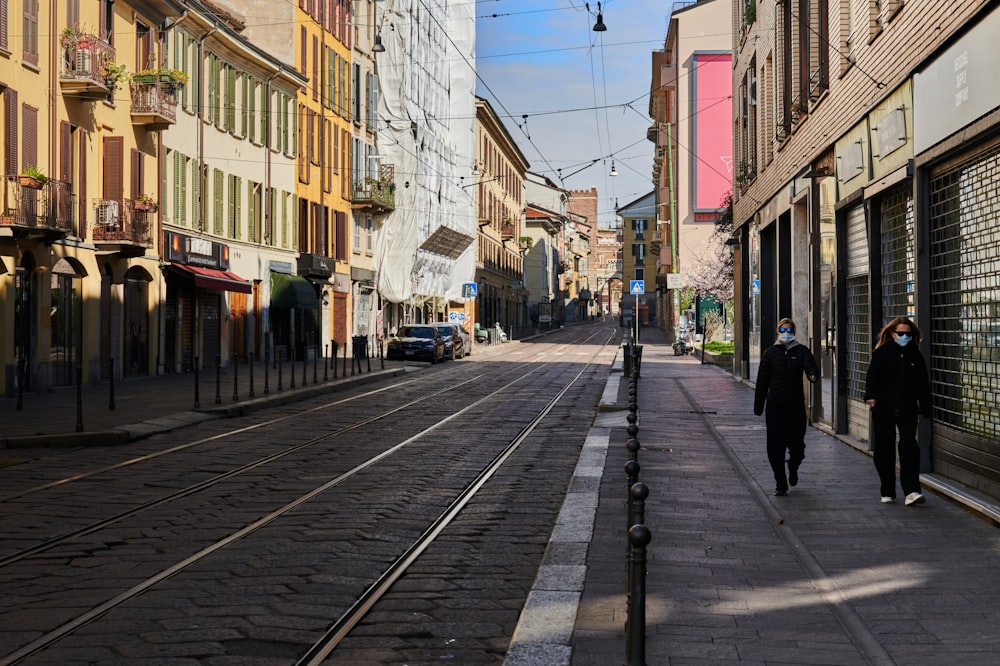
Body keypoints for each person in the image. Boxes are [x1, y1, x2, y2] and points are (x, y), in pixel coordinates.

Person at [863, 316, 932, 506]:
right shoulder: (881, 354)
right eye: (901, 333)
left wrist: (926, 407)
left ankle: (911, 491)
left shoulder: (915, 356)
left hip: (907, 408)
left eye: (908, 334)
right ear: (892, 334)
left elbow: (923, 384)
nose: (904, 337)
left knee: (909, 446)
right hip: (883, 408)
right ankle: (887, 490)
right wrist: (871, 397)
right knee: (884, 449)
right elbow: (872, 377)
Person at [753, 318, 819, 496]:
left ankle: (793, 466)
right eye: (783, 329)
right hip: (775, 406)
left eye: (789, 330)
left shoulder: (801, 351)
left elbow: (810, 366)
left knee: (797, 445)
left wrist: (812, 375)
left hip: (796, 406)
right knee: (775, 446)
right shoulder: (770, 353)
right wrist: (758, 405)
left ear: (794, 332)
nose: (786, 333)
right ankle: (780, 483)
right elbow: (762, 381)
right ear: (778, 332)